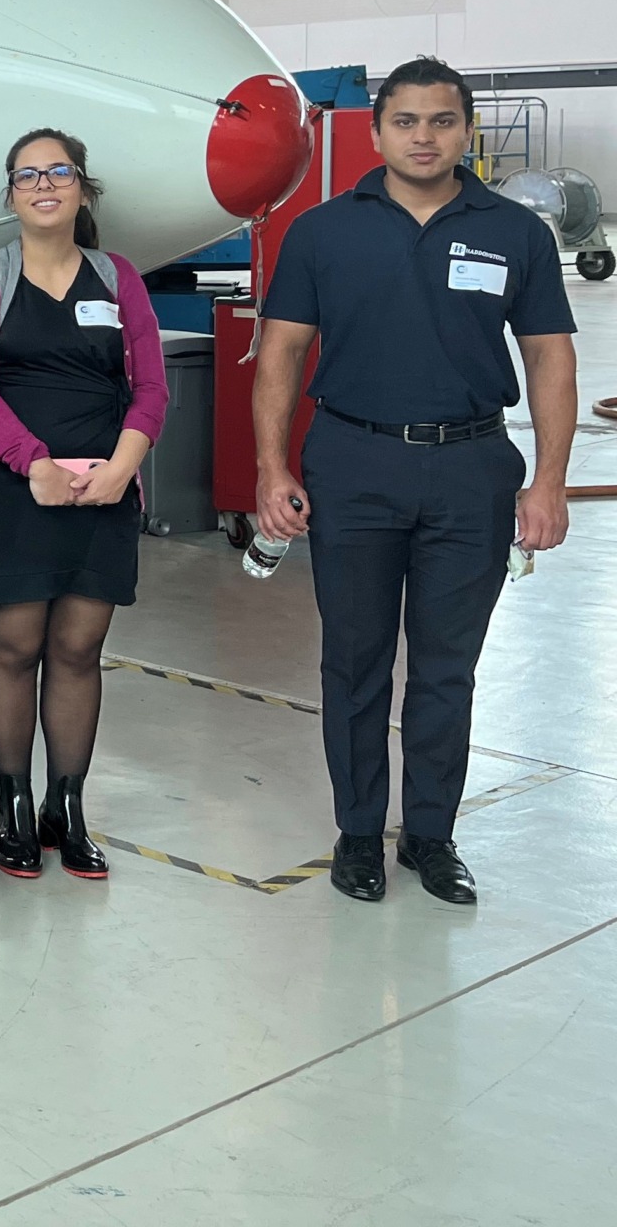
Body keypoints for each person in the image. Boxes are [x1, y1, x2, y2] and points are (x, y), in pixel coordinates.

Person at [254, 56, 576, 907]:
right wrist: (272, 466)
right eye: (406, 121)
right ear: (376, 131)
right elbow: (282, 352)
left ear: (466, 130)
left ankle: (430, 836)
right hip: (353, 463)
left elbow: (549, 357)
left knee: (446, 669)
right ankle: (359, 833)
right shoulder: (322, 232)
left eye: (441, 121)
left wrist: (549, 481)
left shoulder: (517, 233)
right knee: (354, 661)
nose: (424, 137)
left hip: (472, 470)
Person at [0, 130, 167, 881]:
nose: (44, 184)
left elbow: (151, 387)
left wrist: (123, 466)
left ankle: (65, 809)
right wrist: (32, 463)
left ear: (82, 188)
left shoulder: (118, 278)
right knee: (13, 649)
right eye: (27, 175)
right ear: (10, 195)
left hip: (102, 493)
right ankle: (13, 805)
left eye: (58, 171)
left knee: (77, 651)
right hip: (12, 494)